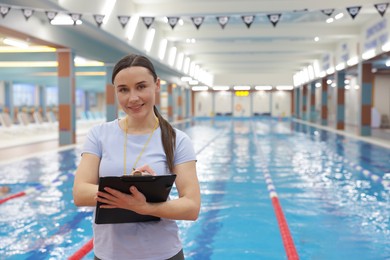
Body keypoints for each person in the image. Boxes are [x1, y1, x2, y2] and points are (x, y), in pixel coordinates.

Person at [73, 53, 201, 260]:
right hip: (109, 255)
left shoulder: (178, 140)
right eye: (123, 90)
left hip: (163, 254)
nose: (133, 98)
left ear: (156, 85)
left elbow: (191, 207)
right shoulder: (99, 135)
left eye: (141, 87)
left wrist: (145, 206)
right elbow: (80, 192)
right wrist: (134, 192)